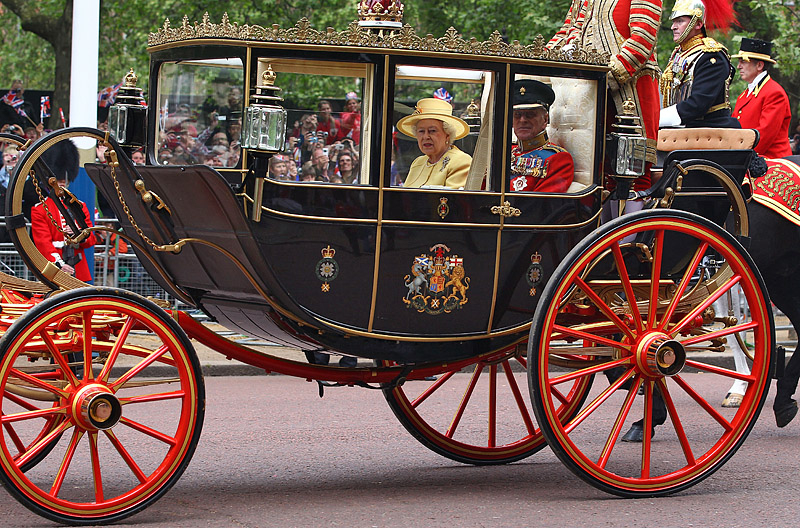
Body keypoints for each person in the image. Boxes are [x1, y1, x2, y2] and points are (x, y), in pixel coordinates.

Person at [547, 0, 660, 189]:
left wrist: (606, 77)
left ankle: (631, 210)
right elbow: (569, 32)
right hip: (586, 92)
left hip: (629, 91)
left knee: (633, 171)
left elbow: (642, 40)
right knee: (596, 170)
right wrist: (536, 63)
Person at [659, 0, 740, 129]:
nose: (673, 27)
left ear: (698, 24)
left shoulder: (712, 56)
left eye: (680, 21)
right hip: (683, 127)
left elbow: (698, 104)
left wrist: (657, 118)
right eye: (673, 21)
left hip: (708, 128)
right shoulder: (680, 53)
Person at [731, 38, 793, 159]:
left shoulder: (774, 93)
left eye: (743, 61)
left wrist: (738, 158)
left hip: (771, 161)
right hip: (748, 157)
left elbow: (764, 136)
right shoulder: (744, 95)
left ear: (759, 65)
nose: (738, 66)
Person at [31, 170, 97, 282]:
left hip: (77, 266)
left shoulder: (79, 205)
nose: (62, 182)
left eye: (64, 180)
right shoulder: (40, 209)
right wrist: (58, 264)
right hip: (53, 265)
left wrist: (78, 233)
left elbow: (90, 239)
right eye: (58, 180)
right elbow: (43, 242)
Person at [509, 80, 574, 193]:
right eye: (517, 115)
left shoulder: (558, 159)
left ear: (545, 119)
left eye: (530, 114)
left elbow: (541, 202)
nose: (522, 120)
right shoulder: (506, 151)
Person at [396, 98, 472, 189]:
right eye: (421, 131)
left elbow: (452, 197)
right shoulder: (418, 162)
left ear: (447, 135)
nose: (426, 136)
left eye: (432, 131)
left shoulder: (461, 161)